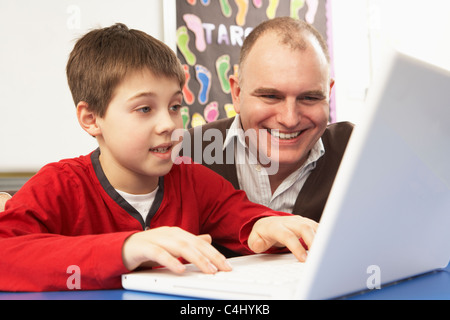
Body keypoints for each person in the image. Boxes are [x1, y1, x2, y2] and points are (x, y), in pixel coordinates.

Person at [0, 23, 318, 292]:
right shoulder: (59, 185)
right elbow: (6, 254)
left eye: (175, 107)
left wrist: (264, 225)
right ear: (91, 118)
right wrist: (126, 248)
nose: (168, 124)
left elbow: (243, 217)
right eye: (144, 109)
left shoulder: (194, 181)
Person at [185, 17, 353, 224]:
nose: (289, 119)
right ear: (237, 93)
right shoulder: (184, 154)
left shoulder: (359, 152)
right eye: (271, 97)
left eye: (309, 98)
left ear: (328, 93)